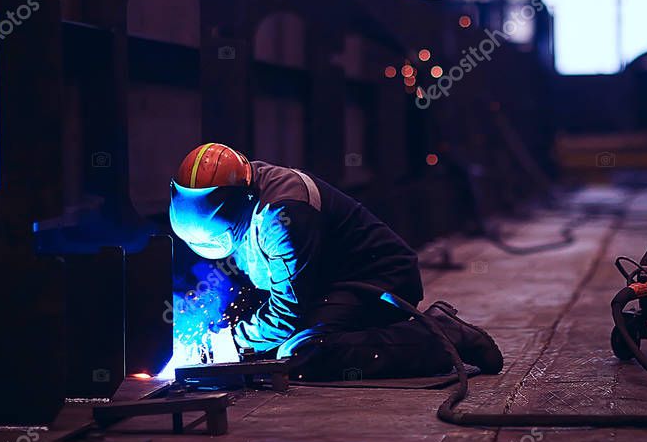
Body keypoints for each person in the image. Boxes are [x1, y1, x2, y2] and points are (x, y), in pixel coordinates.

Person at [168, 142, 503, 380]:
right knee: (268, 343)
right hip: (320, 283)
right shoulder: (233, 196)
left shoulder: (282, 214)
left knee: (304, 354)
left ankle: (444, 337)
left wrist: (228, 341)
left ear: (243, 203)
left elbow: (286, 317)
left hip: (378, 278)